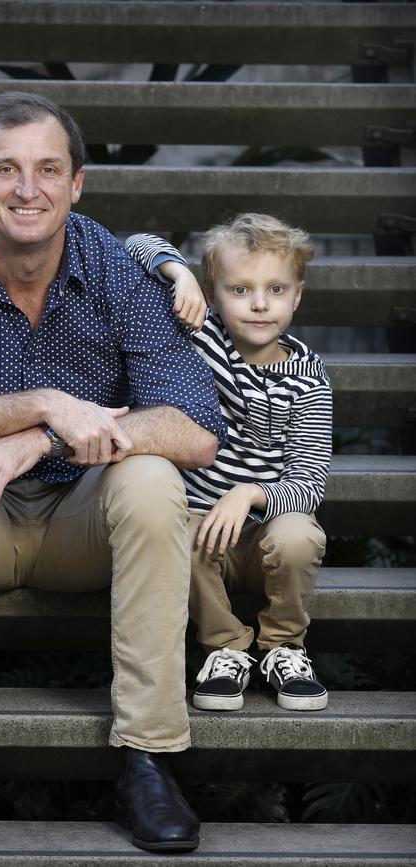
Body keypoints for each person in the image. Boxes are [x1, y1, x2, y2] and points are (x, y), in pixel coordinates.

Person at [0, 91, 226, 856]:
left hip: (83, 528)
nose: (28, 189)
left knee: (154, 479)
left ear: (77, 183)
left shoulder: (116, 271)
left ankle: (148, 757)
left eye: (48, 169)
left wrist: (37, 440)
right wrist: (44, 405)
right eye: (7, 169)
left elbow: (194, 429)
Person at [125, 214, 331, 714]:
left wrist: (250, 494)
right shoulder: (200, 338)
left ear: (297, 295)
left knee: (300, 535)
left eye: (275, 288)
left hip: (266, 537)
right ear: (214, 297)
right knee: (177, 532)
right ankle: (225, 648)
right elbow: (131, 245)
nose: (260, 303)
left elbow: (309, 482)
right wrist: (179, 275)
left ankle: (284, 646)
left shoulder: (308, 379)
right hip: (203, 531)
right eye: (240, 289)